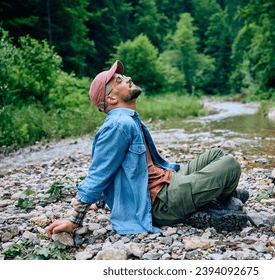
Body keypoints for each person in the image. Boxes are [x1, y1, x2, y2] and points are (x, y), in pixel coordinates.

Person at [45, 60, 250, 238]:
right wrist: (74, 220)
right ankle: (216, 205)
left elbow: (116, 169)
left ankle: (213, 201)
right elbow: (99, 173)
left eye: (123, 76)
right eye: (119, 80)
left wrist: (100, 202)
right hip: (159, 202)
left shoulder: (127, 119)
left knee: (215, 154)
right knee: (230, 165)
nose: (127, 78)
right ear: (111, 99)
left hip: (167, 179)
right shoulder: (118, 125)